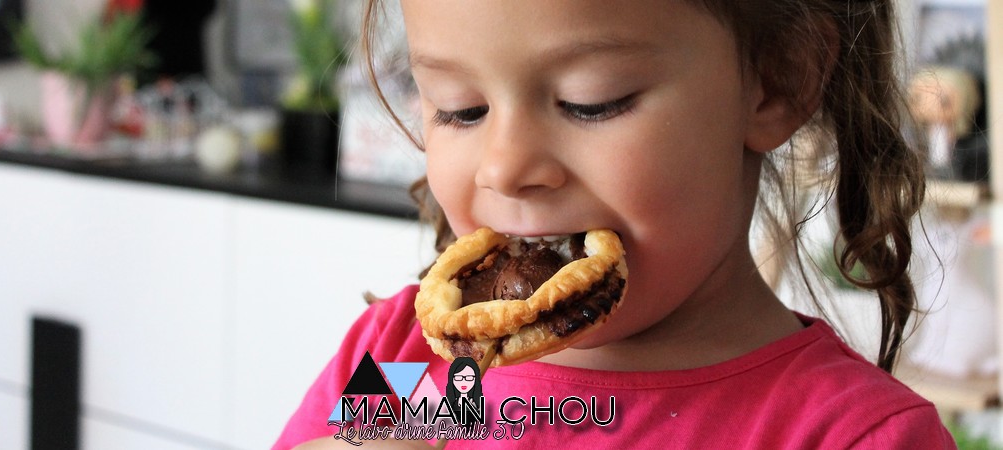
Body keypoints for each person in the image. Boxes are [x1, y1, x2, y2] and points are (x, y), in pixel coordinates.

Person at [276, 0, 955, 448]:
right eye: (461, 109)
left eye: (590, 101)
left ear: (776, 81)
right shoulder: (397, 366)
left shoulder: (853, 436)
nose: (505, 168)